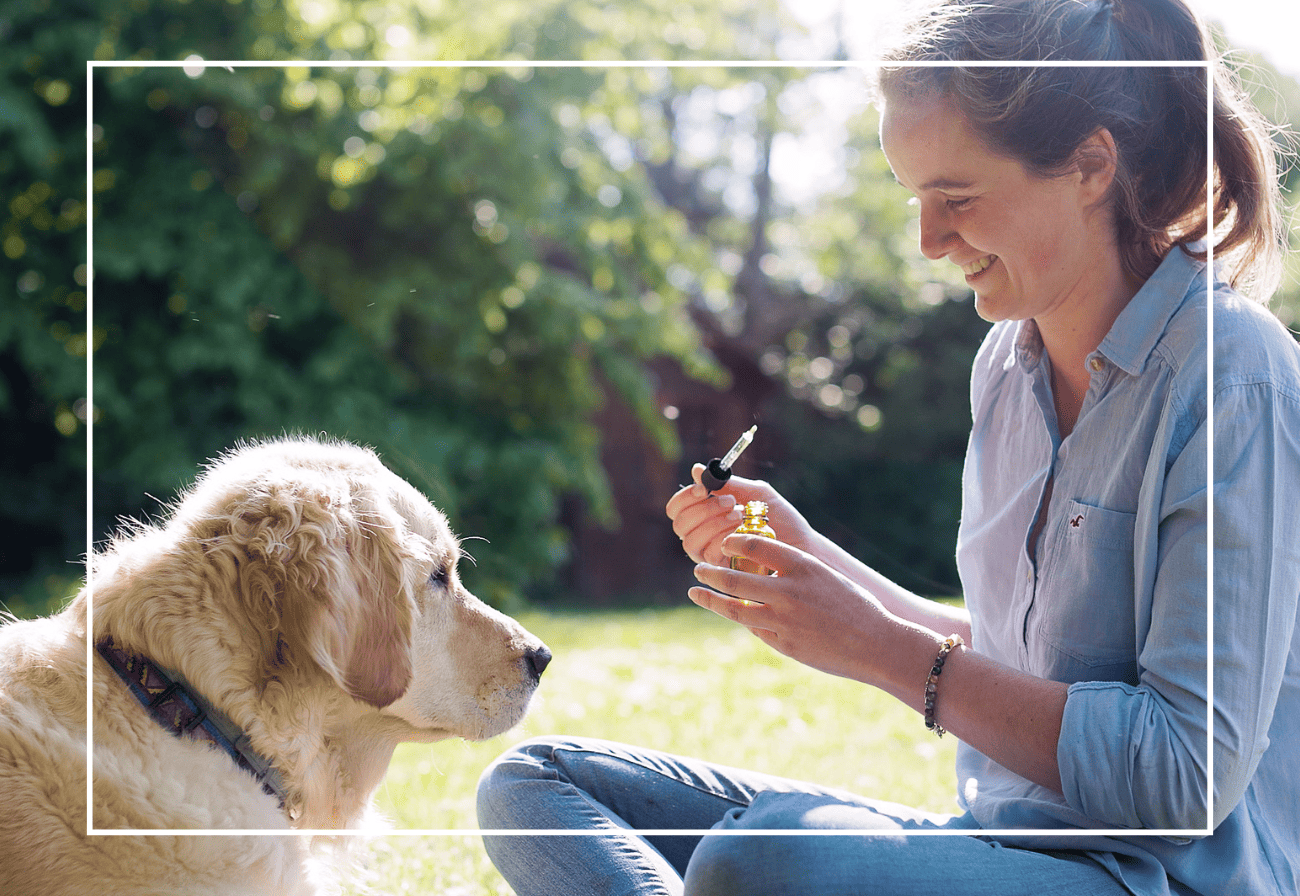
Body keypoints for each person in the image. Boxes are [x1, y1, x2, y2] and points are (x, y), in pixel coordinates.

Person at [475, 0, 1300, 892]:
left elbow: (1184, 781)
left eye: (957, 198)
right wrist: (808, 565)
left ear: (1090, 166)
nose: (928, 241)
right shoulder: (1007, 365)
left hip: (1155, 874)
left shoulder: (1231, 379)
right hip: (1001, 844)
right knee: (535, 785)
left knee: (761, 860)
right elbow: (1020, 661)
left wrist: (880, 648)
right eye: (914, 198)